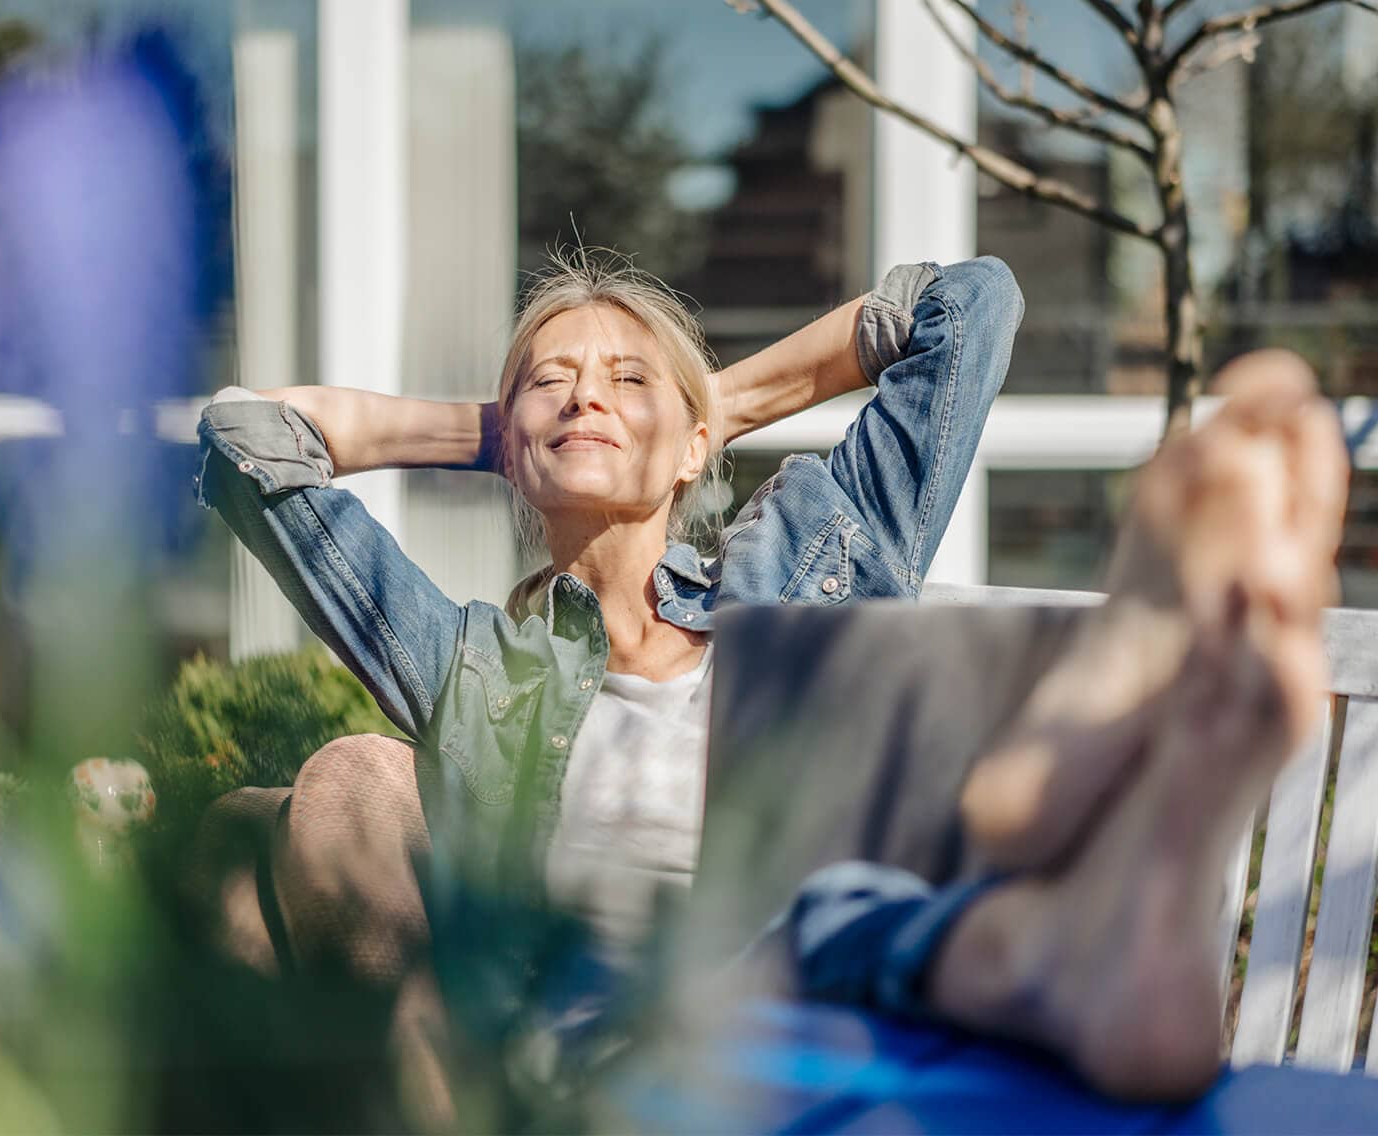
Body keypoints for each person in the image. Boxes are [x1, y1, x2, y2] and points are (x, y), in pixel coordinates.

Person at [193, 249, 1347, 1128]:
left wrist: (706, 408)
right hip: (599, 1039)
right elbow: (250, 440)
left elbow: (971, 304)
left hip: (820, 983)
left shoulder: (807, 557)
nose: (585, 397)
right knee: (337, 787)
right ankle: (1058, 889)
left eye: (624, 379)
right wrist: (519, 430)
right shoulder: (467, 659)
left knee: (836, 912)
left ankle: (1084, 907)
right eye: (551, 384)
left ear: (699, 445)